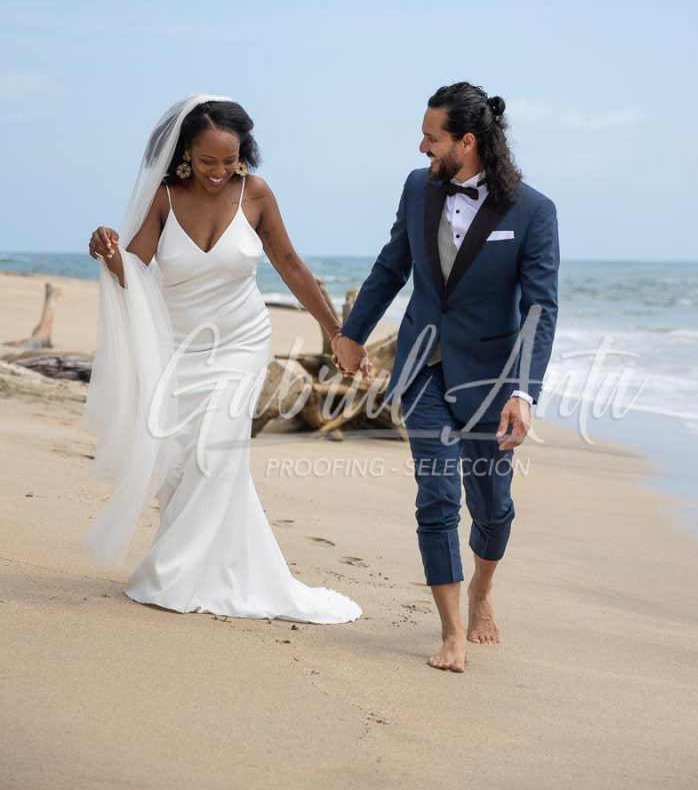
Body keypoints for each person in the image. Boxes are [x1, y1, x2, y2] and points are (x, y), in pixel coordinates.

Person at [84, 94, 361, 624]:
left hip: (240, 344)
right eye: (207, 161)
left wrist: (336, 330)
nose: (218, 172)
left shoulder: (254, 194)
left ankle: (172, 574)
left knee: (216, 452)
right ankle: (223, 567)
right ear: (186, 150)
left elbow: (290, 264)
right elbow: (135, 272)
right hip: (178, 346)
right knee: (183, 462)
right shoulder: (164, 197)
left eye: (228, 160)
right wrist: (109, 251)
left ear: (243, 153)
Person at [334, 82, 559, 670]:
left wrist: (523, 393)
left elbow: (540, 308)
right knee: (436, 498)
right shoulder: (417, 188)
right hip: (425, 367)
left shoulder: (533, 212)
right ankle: (452, 631)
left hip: (491, 380)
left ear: (467, 141)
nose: (420, 147)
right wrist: (352, 334)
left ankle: (482, 590)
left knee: (492, 508)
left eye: (432, 138)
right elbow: (392, 265)